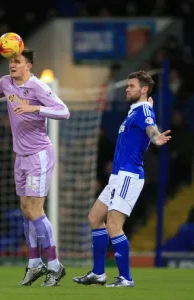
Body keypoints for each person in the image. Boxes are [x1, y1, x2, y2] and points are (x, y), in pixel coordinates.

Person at [0, 49, 70, 287]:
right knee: (25, 210)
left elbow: (64, 111)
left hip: (39, 155)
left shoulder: (38, 87)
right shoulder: (6, 83)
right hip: (20, 156)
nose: (12, 65)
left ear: (28, 66)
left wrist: (35, 108)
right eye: (11, 61)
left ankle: (54, 264)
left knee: (35, 210)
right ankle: (34, 264)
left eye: (17, 62)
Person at [73, 70, 171, 287]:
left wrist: (156, 138)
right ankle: (98, 273)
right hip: (117, 177)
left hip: (129, 176)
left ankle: (126, 277)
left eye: (131, 86)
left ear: (144, 89)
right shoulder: (136, 110)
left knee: (114, 225)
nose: (127, 89)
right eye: (127, 86)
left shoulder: (144, 109)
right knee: (94, 218)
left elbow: (151, 129)